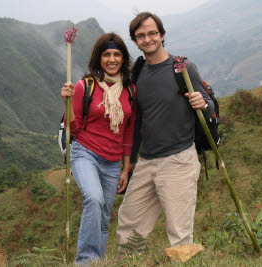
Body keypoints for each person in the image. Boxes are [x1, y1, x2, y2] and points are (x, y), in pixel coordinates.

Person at [116, 12, 215, 252]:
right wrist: (130, 162)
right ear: (135, 41)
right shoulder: (137, 73)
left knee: (179, 232)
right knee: (129, 222)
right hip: (146, 162)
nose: (147, 39)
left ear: (162, 35)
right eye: (141, 36)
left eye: (152, 33)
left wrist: (203, 103)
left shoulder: (183, 68)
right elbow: (137, 120)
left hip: (178, 159)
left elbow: (210, 104)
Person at [61, 32, 135, 264]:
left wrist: (125, 169)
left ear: (123, 58)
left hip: (113, 162)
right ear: (98, 58)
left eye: (116, 54)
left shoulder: (130, 91)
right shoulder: (86, 86)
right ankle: (84, 261)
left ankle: (98, 261)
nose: (111, 59)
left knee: (103, 217)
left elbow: (127, 133)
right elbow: (73, 127)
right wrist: (68, 102)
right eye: (106, 54)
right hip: (85, 153)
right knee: (93, 200)